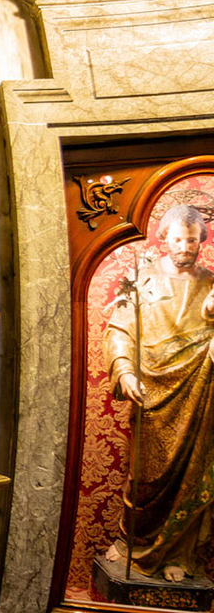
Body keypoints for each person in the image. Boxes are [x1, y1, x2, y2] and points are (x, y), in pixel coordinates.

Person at [106, 204, 214, 584]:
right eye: (179, 238)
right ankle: (131, 541)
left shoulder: (211, 283)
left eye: (192, 239)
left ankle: (179, 555)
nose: (186, 246)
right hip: (153, 391)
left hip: (200, 390)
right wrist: (125, 370)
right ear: (165, 239)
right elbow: (120, 329)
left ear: (202, 241)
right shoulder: (142, 280)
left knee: (193, 474)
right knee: (148, 477)